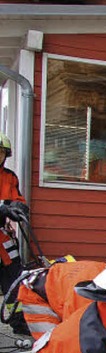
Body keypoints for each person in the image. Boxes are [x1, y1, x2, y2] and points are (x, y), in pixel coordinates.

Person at [12, 258, 106, 340]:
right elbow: (76, 339)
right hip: (35, 294)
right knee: (50, 344)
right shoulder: (83, 305)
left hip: (62, 280)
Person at [0, 132, 30, 336]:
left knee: (15, 280)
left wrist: (19, 208)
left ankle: (19, 324)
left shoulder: (9, 177)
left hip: (3, 238)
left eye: (1, 153)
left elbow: (17, 199)